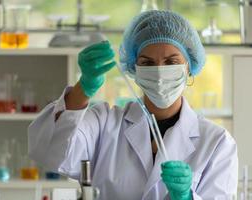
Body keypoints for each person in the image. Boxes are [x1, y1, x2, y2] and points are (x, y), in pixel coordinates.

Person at [28, 10, 238, 199]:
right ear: (134, 70)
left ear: (189, 67)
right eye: (147, 63)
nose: (158, 71)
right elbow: (49, 152)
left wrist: (186, 197)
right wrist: (83, 88)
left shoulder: (217, 142)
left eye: (171, 62)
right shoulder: (105, 122)